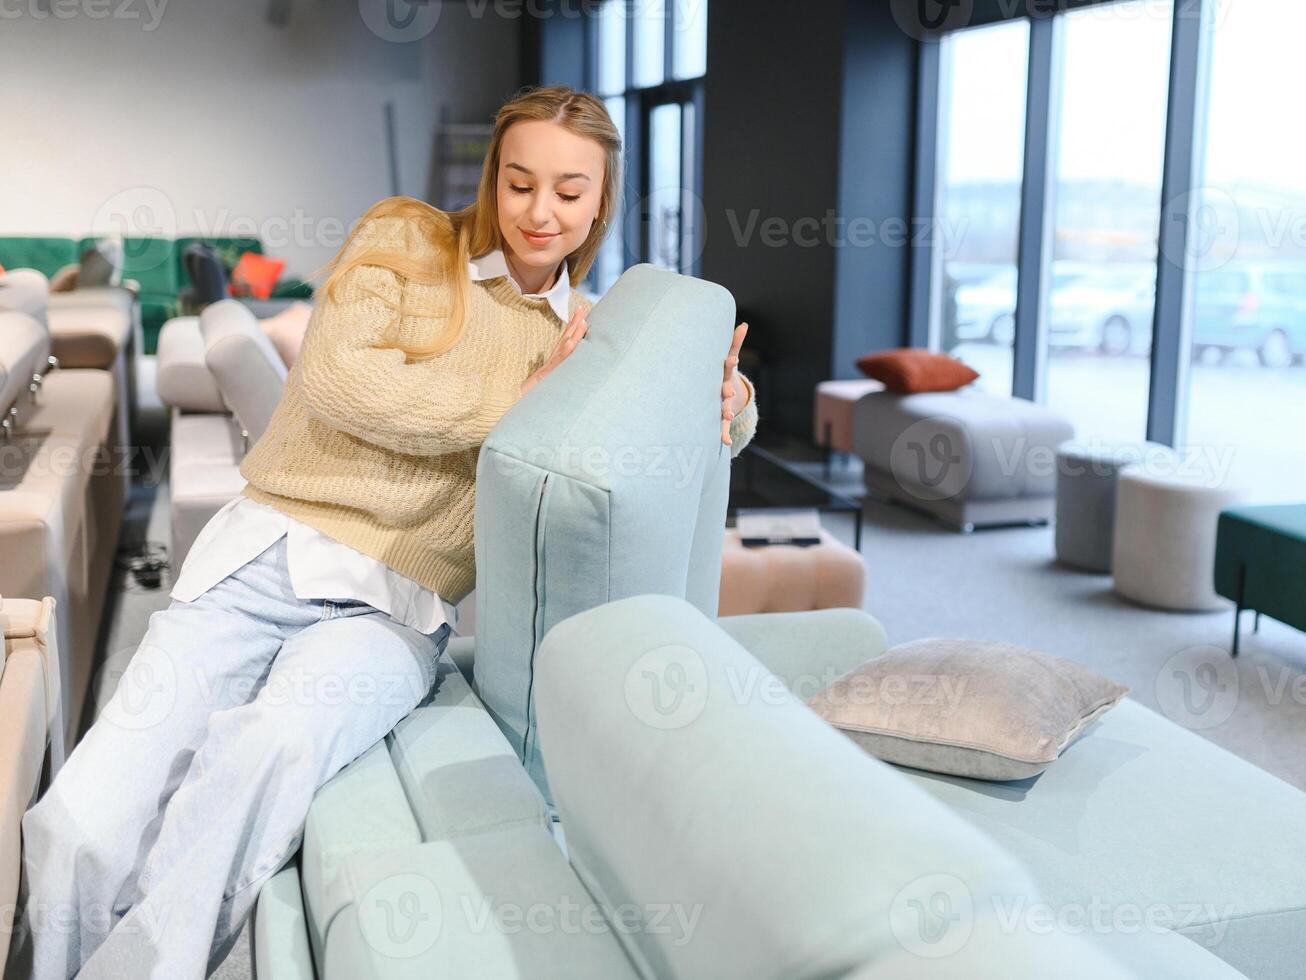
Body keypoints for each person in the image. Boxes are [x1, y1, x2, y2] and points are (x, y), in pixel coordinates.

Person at [10, 84, 757, 979]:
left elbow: (648, 434)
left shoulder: (589, 336)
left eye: (568, 190)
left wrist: (733, 406)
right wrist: (514, 405)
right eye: (519, 183)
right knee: (75, 820)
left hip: (393, 612)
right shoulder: (408, 240)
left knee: (266, 756)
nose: (540, 211)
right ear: (493, 177)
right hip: (265, 557)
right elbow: (337, 381)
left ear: (601, 200)